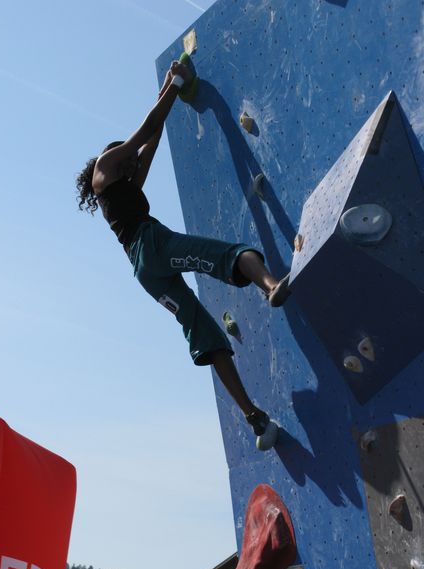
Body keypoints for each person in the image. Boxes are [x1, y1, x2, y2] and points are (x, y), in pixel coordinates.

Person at [76, 61, 291, 445]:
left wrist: (166, 88)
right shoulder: (104, 170)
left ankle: (254, 417)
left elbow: (153, 137)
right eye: (127, 157)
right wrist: (176, 83)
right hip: (152, 246)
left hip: (145, 273)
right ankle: (272, 286)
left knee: (202, 330)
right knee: (222, 254)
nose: (132, 160)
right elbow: (144, 131)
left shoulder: (127, 185)